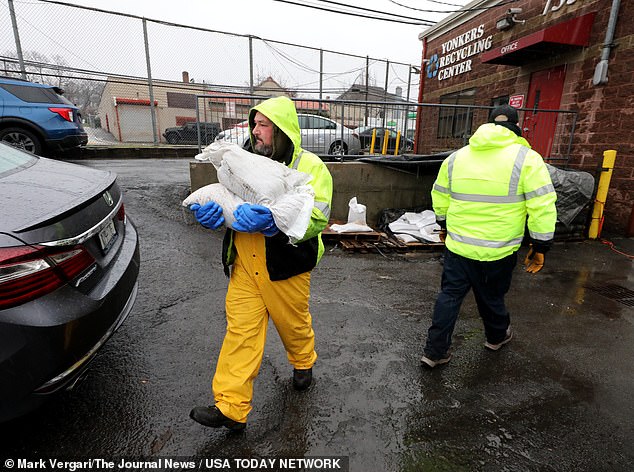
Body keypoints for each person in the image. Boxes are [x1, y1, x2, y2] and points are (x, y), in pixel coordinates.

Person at [188, 96, 333, 431]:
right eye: (254, 124)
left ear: (281, 130)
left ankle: (302, 361)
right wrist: (214, 215)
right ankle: (231, 408)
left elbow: (318, 217)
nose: (255, 132)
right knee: (241, 333)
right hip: (244, 261)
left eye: (263, 125)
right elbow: (229, 199)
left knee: (293, 325)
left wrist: (273, 223)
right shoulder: (242, 160)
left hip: (286, 263)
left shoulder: (309, 166)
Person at [421, 104, 557, 368]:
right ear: (516, 126)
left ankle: (434, 352)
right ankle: (495, 337)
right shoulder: (526, 158)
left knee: (449, 296)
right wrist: (540, 245)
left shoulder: (457, 157)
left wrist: (444, 225)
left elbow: (440, 195)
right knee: (491, 297)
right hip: (499, 249)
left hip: (459, 247)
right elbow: (542, 204)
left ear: (488, 124)